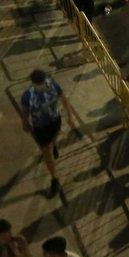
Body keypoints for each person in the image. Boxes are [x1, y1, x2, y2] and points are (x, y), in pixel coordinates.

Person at [19, 68, 84, 197]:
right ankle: (55, 178)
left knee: (51, 141)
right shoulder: (35, 93)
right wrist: (25, 123)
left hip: (51, 123)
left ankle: (53, 146)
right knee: (46, 150)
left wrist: (25, 123)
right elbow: (64, 101)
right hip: (44, 125)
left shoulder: (31, 94)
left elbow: (64, 101)